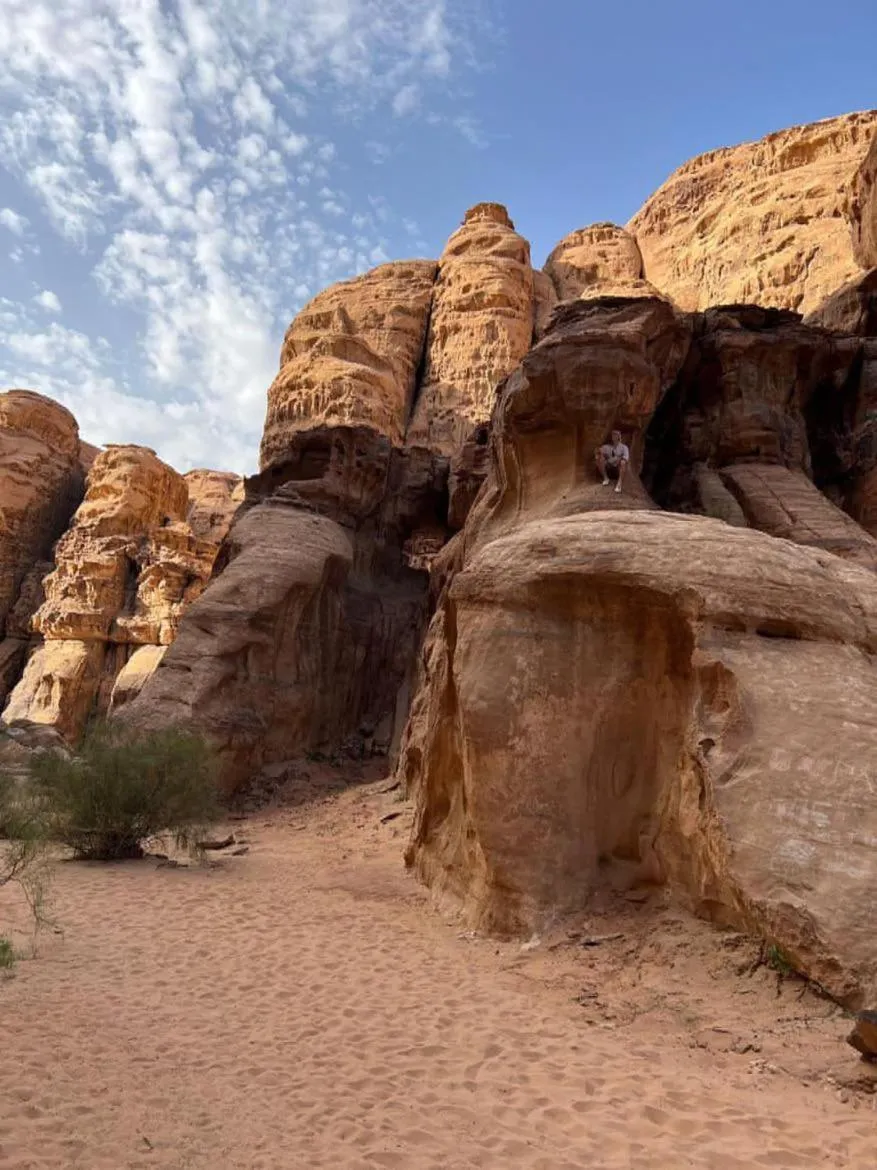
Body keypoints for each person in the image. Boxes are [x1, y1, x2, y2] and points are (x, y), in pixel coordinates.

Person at [595, 430, 629, 494]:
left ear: (619, 437)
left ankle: (619, 484)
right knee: (599, 459)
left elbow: (626, 458)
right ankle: (606, 478)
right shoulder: (607, 447)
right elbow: (598, 451)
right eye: (613, 435)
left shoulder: (624, 447)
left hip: (618, 467)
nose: (614, 436)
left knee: (623, 462)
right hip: (609, 466)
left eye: (615, 435)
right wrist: (600, 454)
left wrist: (620, 459)